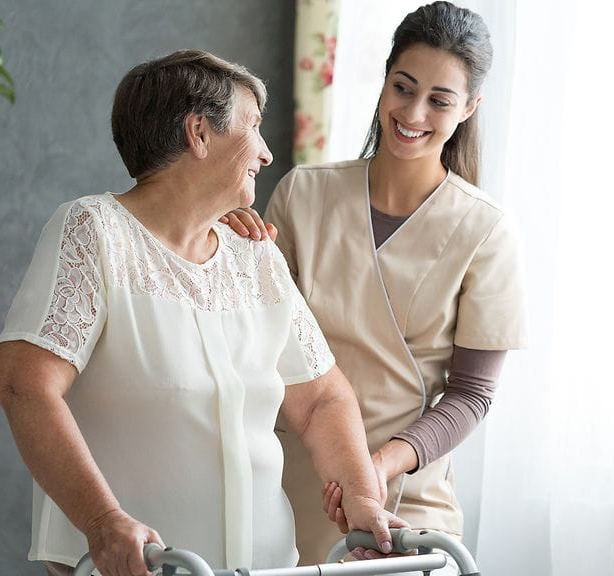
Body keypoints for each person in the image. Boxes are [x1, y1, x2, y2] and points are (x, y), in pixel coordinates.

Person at [0, 49, 403, 576]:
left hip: (267, 565)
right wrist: (102, 522)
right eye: (253, 127)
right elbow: (22, 384)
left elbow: (321, 395)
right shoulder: (94, 232)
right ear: (199, 133)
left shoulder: (254, 254)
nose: (267, 153)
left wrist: (363, 497)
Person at [224, 2, 527, 572]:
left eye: (439, 99)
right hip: (291, 487)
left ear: (470, 108)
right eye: (402, 87)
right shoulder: (302, 195)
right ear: (384, 82)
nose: (413, 112)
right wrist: (228, 247)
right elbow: (252, 340)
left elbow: (470, 396)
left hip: (408, 502)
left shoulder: (487, 231)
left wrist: (378, 465)